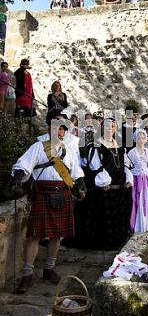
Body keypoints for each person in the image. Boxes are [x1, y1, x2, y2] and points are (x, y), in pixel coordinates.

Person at [10, 113, 86, 293]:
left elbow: (76, 172)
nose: (58, 131)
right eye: (55, 127)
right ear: (50, 129)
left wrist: (81, 185)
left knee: (57, 235)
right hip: (42, 194)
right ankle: (27, 275)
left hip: (63, 193)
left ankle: (49, 269)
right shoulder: (38, 147)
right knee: (34, 235)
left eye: (61, 128)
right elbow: (24, 164)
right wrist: (19, 176)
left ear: (64, 132)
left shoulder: (68, 151)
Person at [68, 118, 133, 250]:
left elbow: (125, 165)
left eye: (113, 126)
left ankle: (118, 242)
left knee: (119, 216)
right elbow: (95, 166)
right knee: (104, 218)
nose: (110, 129)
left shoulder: (120, 147)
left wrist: (128, 179)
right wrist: (104, 181)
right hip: (104, 189)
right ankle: (104, 245)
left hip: (119, 188)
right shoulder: (95, 145)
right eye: (107, 126)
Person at [128, 129, 148, 233]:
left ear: (146, 139)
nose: (141, 140)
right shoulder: (132, 152)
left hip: (146, 179)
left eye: (143, 138)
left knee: (147, 202)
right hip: (136, 179)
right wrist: (130, 180)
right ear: (135, 139)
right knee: (137, 201)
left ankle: (147, 224)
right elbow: (129, 168)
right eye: (138, 138)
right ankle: (137, 226)